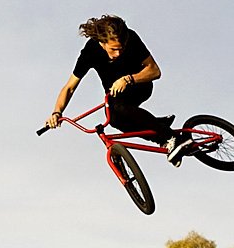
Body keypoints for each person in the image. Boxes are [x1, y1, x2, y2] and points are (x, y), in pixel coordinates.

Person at [45, 14, 188, 165]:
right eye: (113, 49)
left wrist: (128, 79)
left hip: (140, 86)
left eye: (121, 49)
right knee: (115, 120)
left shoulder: (131, 38)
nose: (118, 54)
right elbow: (69, 88)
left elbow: (154, 71)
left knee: (117, 106)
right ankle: (162, 134)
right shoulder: (90, 52)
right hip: (115, 97)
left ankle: (173, 138)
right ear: (102, 42)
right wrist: (56, 112)